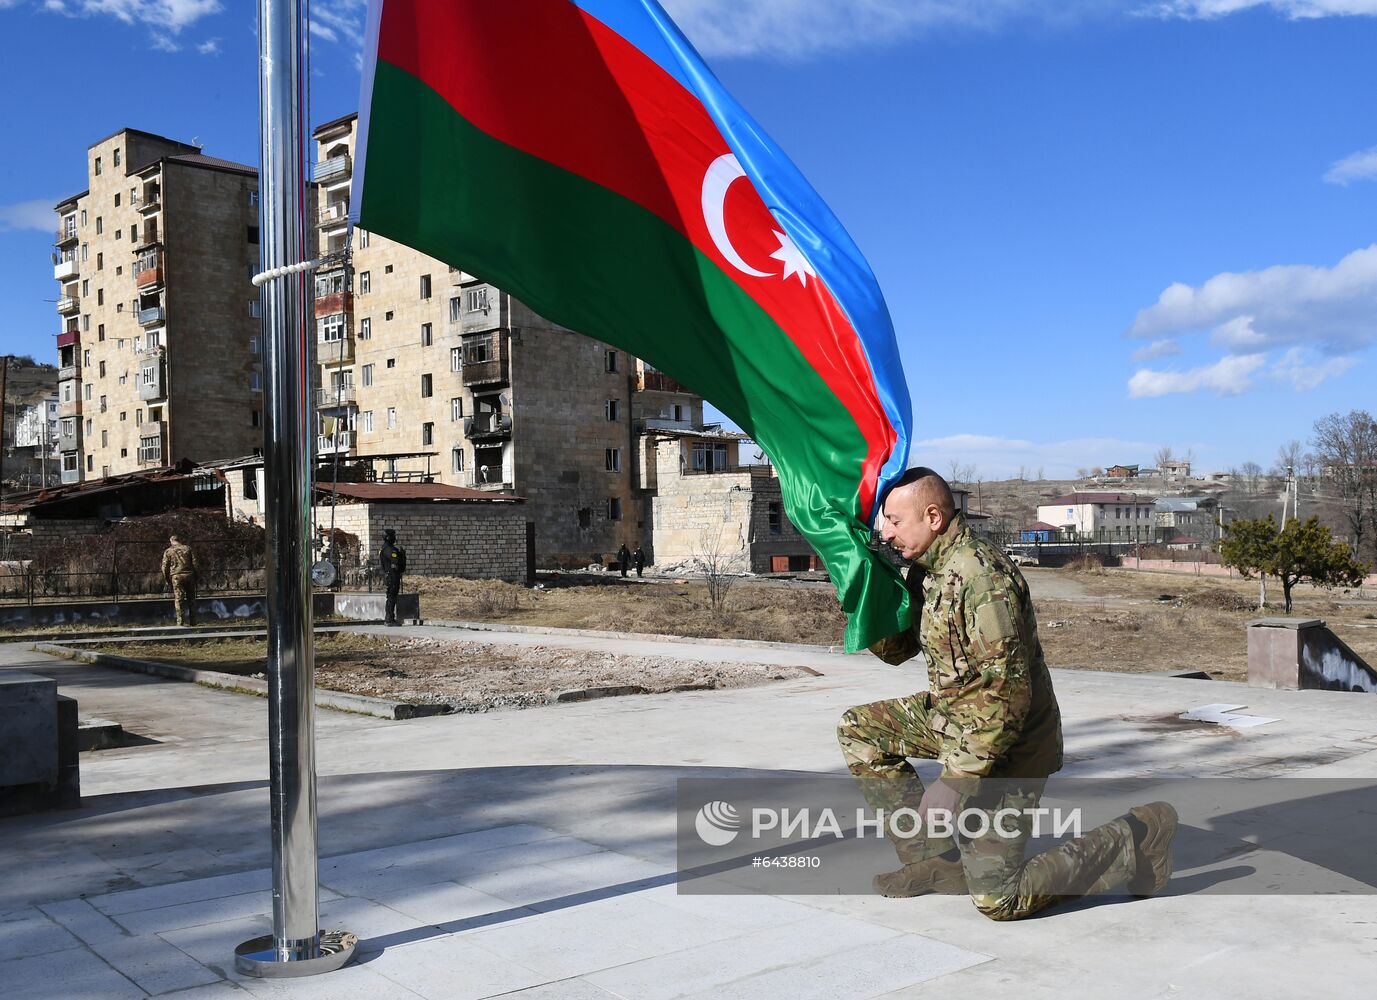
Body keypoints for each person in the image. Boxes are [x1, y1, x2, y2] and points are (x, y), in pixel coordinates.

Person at [838, 466, 1177, 920]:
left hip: (1009, 745)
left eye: (895, 521)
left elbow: (1007, 694)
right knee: (861, 730)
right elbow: (899, 649)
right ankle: (935, 861)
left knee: (998, 898)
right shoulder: (930, 571)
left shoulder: (982, 576)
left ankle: (1137, 837)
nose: (886, 531)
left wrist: (955, 781)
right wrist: (863, 593)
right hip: (957, 721)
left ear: (933, 516)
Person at [160, 534, 199, 626]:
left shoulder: (168, 551)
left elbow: (164, 567)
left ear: (171, 541)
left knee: (179, 599)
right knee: (191, 599)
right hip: (189, 575)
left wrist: (166, 578)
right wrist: (196, 575)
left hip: (176, 576)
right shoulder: (188, 549)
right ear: (179, 540)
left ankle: (180, 622)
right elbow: (195, 563)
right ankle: (193, 621)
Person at [379, 528, 407, 626]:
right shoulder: (389, 549)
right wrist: (402, 555)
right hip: (392, 576)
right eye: (393, 536)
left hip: (392, 575)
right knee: (391, 597)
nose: (395, 538)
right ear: (388, 537)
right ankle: (389, 619)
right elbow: (396, 561)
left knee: (392, 597)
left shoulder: (386, 548)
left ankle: (390, 618)